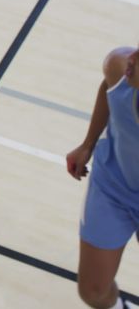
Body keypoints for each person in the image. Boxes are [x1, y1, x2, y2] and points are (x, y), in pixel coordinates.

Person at [67, 44, 139, 308]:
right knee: (93, 291)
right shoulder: (120, 66)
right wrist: (88, 143)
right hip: (113, 186)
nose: (132, 59)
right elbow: (109, 88)